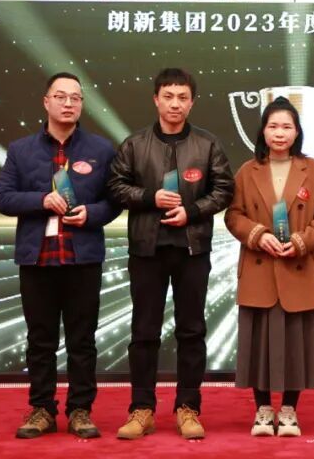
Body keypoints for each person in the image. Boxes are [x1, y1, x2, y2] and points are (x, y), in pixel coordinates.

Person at [106, 68, 234, 441]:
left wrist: (191, 212)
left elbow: (224, 190)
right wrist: (150, 197)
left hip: (192, 249)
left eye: (182, 97)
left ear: (192, 102)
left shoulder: (207, 144)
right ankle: (141, 409)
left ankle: (188, 408)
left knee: (191, 331)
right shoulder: (135, 144)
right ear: (156, 100)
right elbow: (115, 187)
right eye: (168, 96)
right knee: (143, 332)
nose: (175, 103)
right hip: (146, 250)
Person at [0, 72, 121, 440]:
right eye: (61, 96)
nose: (68, 103)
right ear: (46, 101)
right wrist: (41, 200)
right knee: (40, 339)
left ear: (82, 105)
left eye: (75, 98)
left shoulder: (101, 150)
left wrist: (91, 214)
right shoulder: (21, 150)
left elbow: (115, 201)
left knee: (83, 340)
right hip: (38, 260)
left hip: (83, 259)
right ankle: (41, 409)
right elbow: (2, 198)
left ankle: (80, 410)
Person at [225, 97, 314, 437]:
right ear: (263, 131)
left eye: (287, 126)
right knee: (258, 342)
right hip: (259, 265)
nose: (279, 133)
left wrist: (301, 241)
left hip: (298, 264)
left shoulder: (313, 170)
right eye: (273, 126)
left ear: (297, 132)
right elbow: (233, 215)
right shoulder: (247, 171)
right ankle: (262, 410)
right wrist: (258, 235)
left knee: (295, 344)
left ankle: (288, 410)